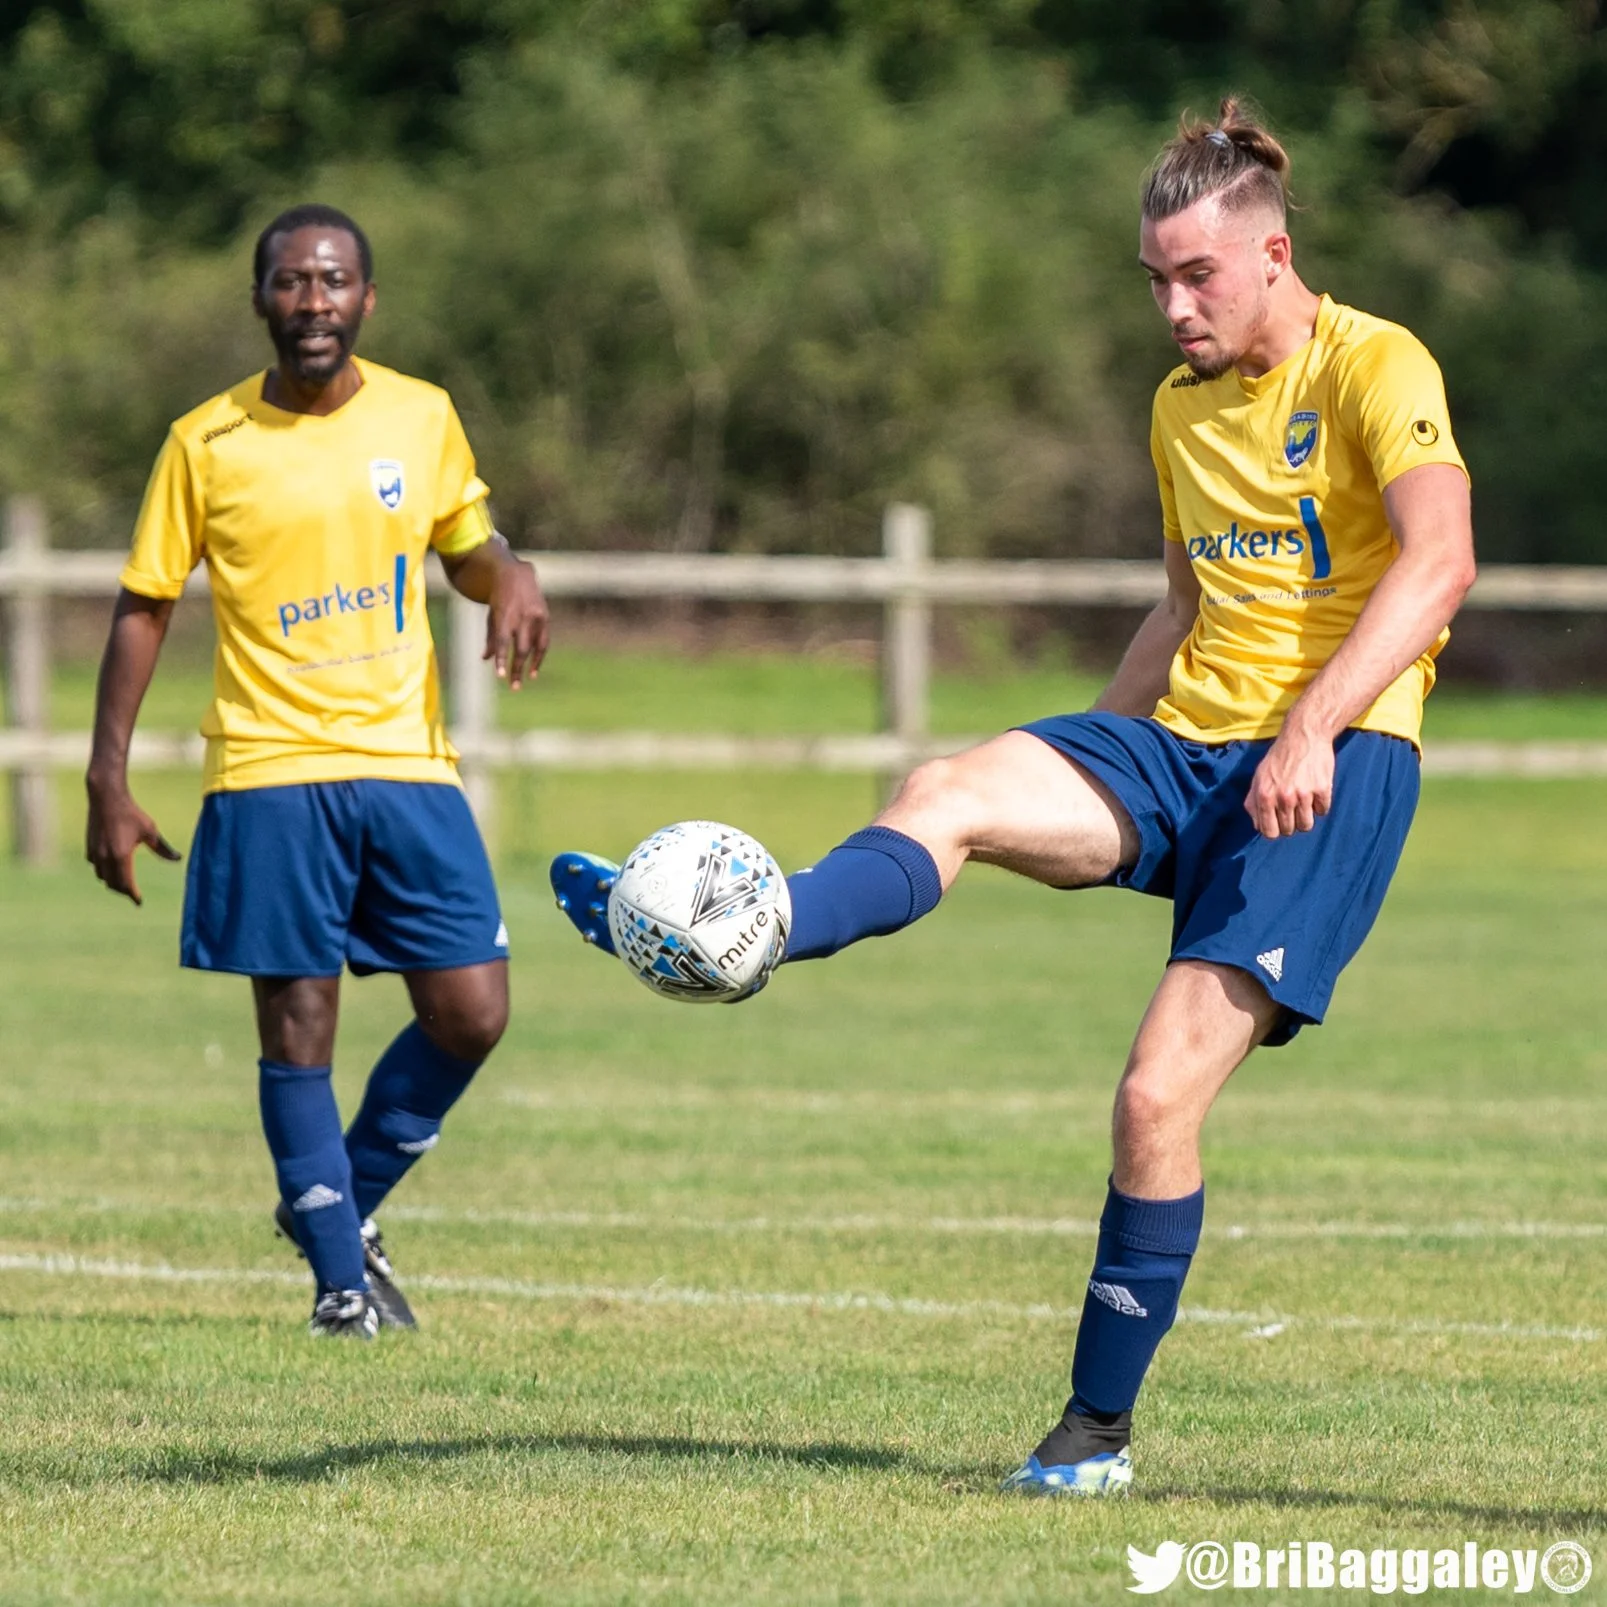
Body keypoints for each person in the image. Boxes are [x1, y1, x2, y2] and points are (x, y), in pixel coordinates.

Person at [549, 99, 1477, 1491]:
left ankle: (1091, 1435)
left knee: (1152, 1097)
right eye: (1152, 280)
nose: (1171, 307)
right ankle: (755, 924)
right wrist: (1090, 757)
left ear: (1272, 254)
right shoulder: (1175, 409)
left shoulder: (1372, 362)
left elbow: (1439, 562)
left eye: (1195, 277)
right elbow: (1182, 606)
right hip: (1185, 747)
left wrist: (1311, 728)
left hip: (1332, 769)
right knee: (948, 786)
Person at [86, 203, 549, 1339]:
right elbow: (145, 604)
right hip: (268, 768)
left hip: (406, 764)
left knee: (472, 1011)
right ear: (259, 300)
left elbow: (468, 549)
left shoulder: (421, 415)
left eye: (333, 281)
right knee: (299, 1024)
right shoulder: (206, 442)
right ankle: (343, 1287)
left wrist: (514, 572)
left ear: (366, 299)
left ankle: (331, 1201)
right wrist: (107, 777)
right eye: (291, 282)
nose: (312, 302)